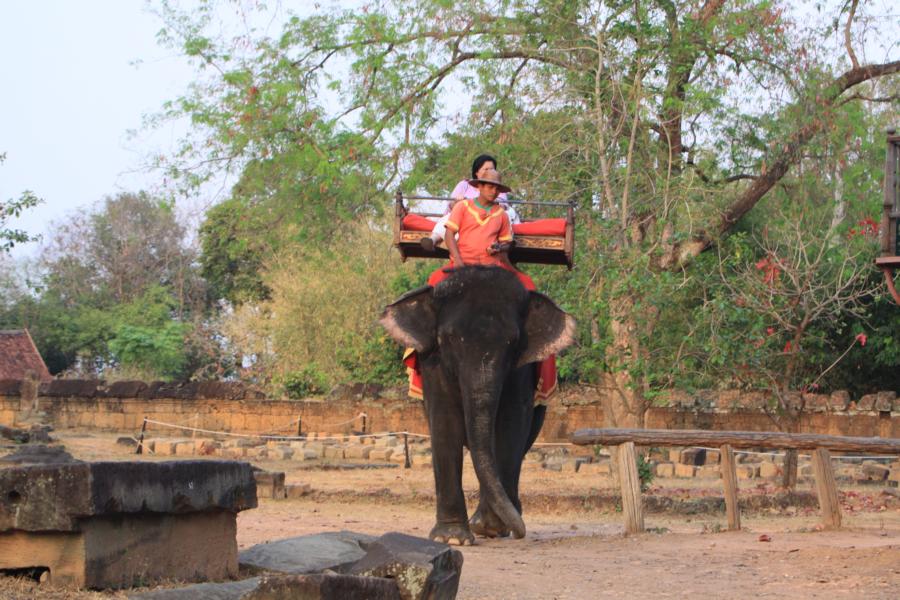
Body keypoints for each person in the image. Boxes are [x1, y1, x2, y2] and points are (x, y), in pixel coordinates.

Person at [426, 168, 534, 291]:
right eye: (490, 187)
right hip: (463, 262)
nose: (494, 191)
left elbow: (506, 244)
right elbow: (449, 234)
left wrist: (500, 247)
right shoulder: (463, 206)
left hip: (491, 266)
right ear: (480, 186)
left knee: (527, 284)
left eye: (497, 189)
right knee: (433, 282)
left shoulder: (502, 214)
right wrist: (457, 260)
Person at [420, 154, 520, 252]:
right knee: (450, 217)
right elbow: (451, 205)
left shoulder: (496, 189)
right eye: (486, 169)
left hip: (491, 215)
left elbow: (503, 204)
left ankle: (503, 243)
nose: (490, 172)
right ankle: (432, 239)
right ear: (477, 172)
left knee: (506, 214)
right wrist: (458, 203)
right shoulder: (464, 185)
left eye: (492, 170)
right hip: (465, 216)